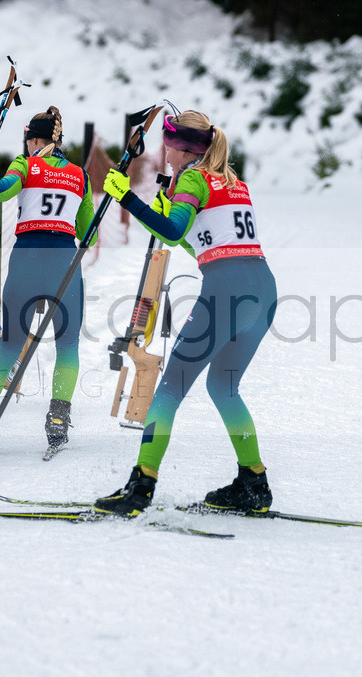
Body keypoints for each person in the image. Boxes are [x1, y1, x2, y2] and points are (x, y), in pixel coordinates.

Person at [94, 110, 277, 516]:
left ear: (178, 147)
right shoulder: (232, 181)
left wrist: (125, 198)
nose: (165, 153)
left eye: (167, 145)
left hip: (226, 292)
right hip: (263, 291)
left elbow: (175, 232)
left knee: (171, 388)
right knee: (224, 387)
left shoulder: (192, 178)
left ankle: (139, 488)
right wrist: (161, 211)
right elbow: (197, 242)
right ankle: (254, 483)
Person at [0, 106, 94, 457]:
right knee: (68, 345)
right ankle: (58, 419)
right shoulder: (80, 175)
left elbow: (1, 192)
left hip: (27, 260)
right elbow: (87, 234)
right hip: (64, 261)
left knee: (9, 346)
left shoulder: (26, 163)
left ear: (33, 139)